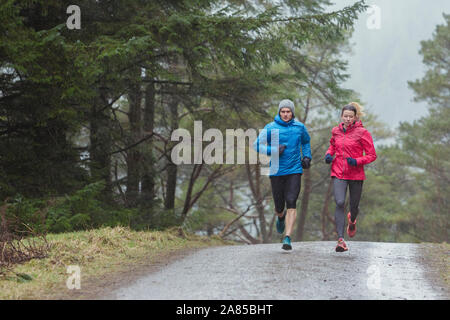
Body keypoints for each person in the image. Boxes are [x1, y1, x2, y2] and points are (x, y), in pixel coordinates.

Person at [253, 99, 311, 250]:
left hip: (294, 170)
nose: (285, 114)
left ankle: (287, 237)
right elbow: (256, 145)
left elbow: (306, 142)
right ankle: (280, 216)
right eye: (283, 112)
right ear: (279, 112)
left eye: (288, 112)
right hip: (277, 170)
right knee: (279, 205)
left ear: (292, 113)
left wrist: (306, 157)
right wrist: (273, 151)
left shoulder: (299, 127)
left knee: (291, 201)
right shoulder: (271, 127)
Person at [325, 102, 377, 252]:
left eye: (350, 116)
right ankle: (341, 240)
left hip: (356, 174)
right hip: (339, 172)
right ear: (341, 117)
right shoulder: (336, 131)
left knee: (353, 206)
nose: (347, 119)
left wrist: (357, 161)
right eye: (345, 116)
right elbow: (333, 146)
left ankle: (352, 219)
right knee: (340, 202)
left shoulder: (362, 133)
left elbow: (372, 155)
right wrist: (329, 154)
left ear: (355, 118)